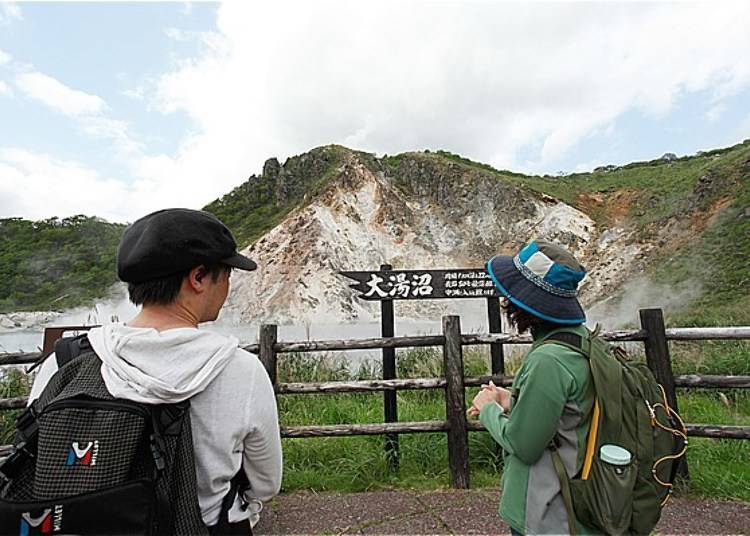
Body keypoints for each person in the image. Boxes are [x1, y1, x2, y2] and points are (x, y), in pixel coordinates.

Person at [27, 208, 282, 533]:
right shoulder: (241, 371)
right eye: (227, 274)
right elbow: (266, 483)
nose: (228, 286)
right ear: (199, 277)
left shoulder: (65, 361)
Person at [468, 239, 595, 535]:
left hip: (550, 511)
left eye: (509, 295)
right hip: (581, 500)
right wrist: (510, 399)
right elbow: (570, 410)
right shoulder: (582, 341)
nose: (505, 301)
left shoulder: (548, 360)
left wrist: (488, 410)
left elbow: (523, 445)